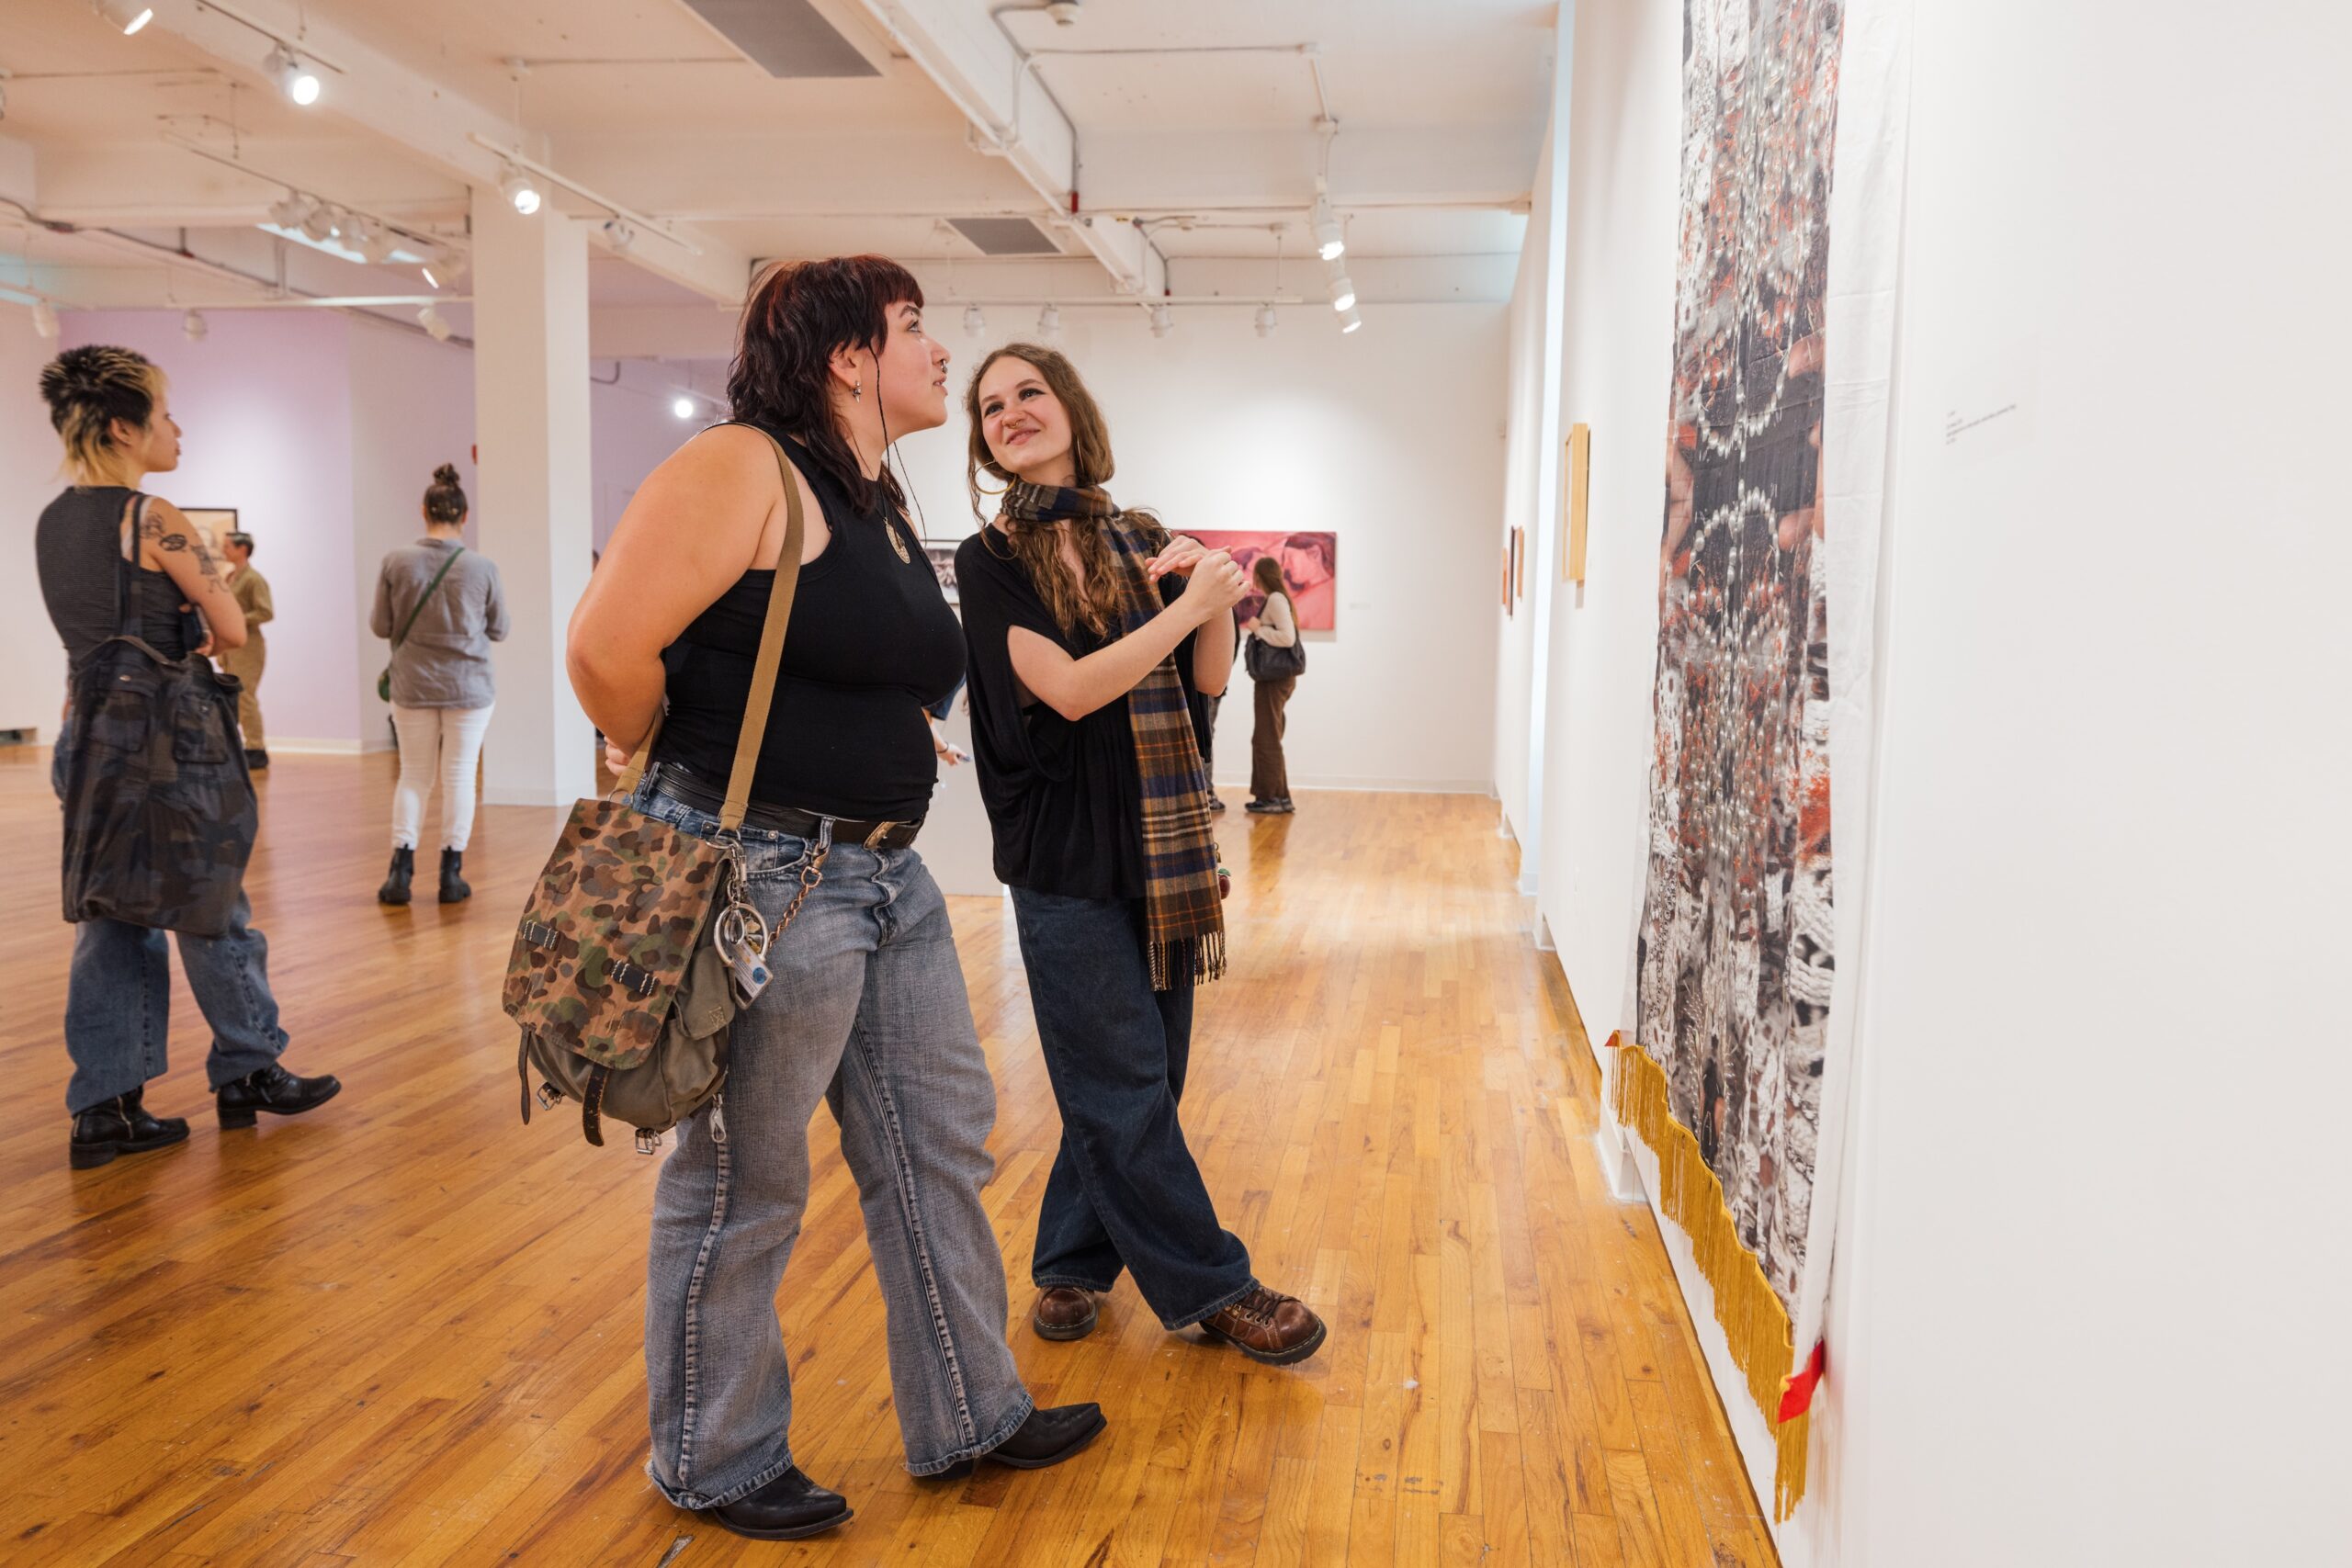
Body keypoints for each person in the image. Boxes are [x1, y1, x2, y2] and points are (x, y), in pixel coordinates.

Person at [566, 257, 1102, 1543]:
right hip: (764, 869)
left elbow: (855, 651)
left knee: (937, 1141)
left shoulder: (873, 494)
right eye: (914, 326)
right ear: (849, 355)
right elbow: (603, 653)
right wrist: (694, 780)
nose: (937, 350)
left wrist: (885, 731)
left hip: (882, 869)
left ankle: (970, 1406)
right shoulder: (742, 464)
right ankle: (715, 1452)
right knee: (745, 1175)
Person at [955, 343, 1329, 1368]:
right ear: (981, 439)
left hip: (1161, 847)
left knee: (1142, 1073)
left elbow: (1206, 682)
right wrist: (1186, 605)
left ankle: (1071, 1258)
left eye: (1028, 392)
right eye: (989, 407)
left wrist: (1219, 595)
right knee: (1117, 1078)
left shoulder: (1140, 535)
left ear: (1071, 405)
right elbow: (1071, 689)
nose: (1011, 413)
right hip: (1062, 857)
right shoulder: (987, 564)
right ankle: (1216, 1286)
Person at [33, 345, 340, 1170]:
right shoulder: (156, 515)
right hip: (163, 742)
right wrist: (199, 619)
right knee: (212, 903)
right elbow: (233, 628)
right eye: (166, 414)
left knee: (111, 921)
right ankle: (251, 1067)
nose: (178, 428)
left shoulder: (53, 520)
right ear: (126, 427)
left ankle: (105, 1107)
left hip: (87, 735)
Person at [369, 463, 506, 906]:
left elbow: (380, 625)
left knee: (414, 776)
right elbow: (499, 628)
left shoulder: (395, 561)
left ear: (423, 511)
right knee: (460, 776)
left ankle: (400, 874)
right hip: (469, 688)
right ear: (464, 517)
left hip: (412, 686)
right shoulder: (482, 567)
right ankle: (451, 876)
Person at [1241, 554, 1299, 815]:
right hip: (1275, 679)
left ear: (1261, 576)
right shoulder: (1278, 598)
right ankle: (1278, 796)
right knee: (1268, 736)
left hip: (1273, 679)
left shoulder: (1275, 599)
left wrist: (1257, 629)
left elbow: (1287, 638)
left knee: (1266, 738)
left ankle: (1273, 798)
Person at [218, 530, 273, 770]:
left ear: (242, 549)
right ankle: (235, 744)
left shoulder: (253, 579)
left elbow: (265, 611)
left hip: (248, 647)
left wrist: (237, 618)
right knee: (231, 697)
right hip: (230, 646)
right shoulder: (230, 577)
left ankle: (255, 747)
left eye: (227, 546)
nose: (223, 550)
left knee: (245, 697)